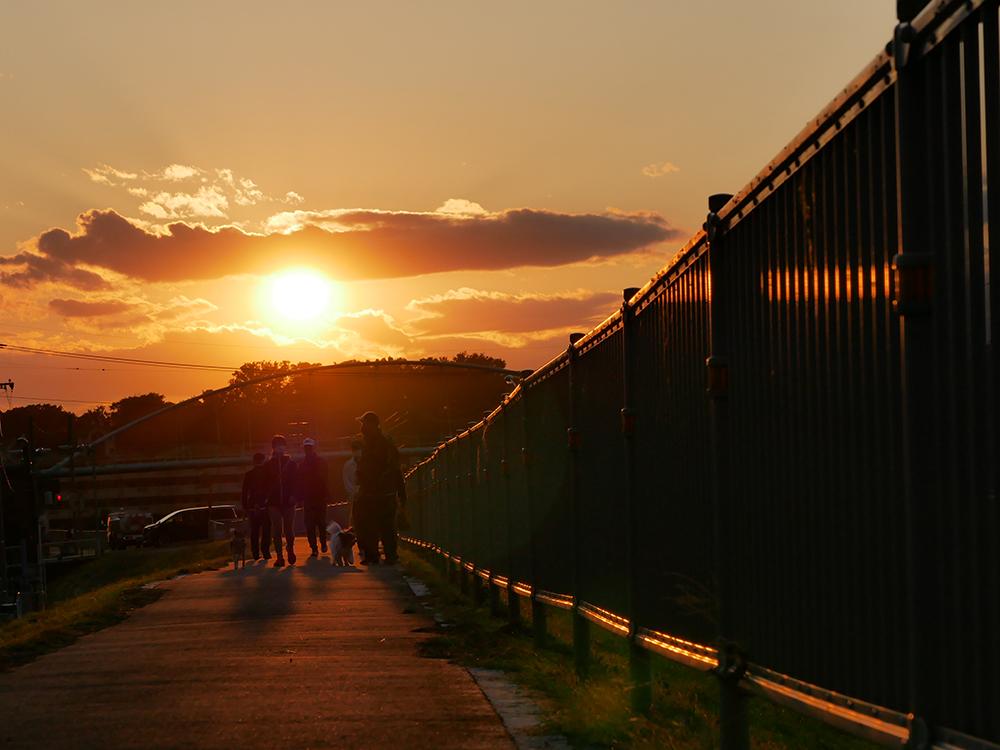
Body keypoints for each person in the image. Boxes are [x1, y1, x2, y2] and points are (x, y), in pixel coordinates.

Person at [355, 411, 407, 565]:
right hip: (379, 493)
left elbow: (392, 469)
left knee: (377, 525)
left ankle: (378, 556)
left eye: (364, 424)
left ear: (371, 425)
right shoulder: (377, 443)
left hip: (377, 493)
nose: (362, 427)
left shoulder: (379, 444)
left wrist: (401, 492)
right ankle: (385, 555)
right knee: (381, 526)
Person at [264, 434, 297, 567]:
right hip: (273, 502)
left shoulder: (291, 463)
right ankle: (279, 556)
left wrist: (294, 495)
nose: (280, 447)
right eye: (277, 445)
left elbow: (296, 481)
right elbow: (264, 484)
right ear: (273, 447)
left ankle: (290, 549)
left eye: (282, 444)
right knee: (277, 530)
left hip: (289, 501)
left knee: (289, 529)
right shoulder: (268, 465)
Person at [297, 437, 330, 557]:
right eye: (306, 448)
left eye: (309, 447)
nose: (308, 450)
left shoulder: (321, 462)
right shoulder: (302, 465)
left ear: (313, 448)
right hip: (308, 498)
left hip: (320, 497)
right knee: (309, 525)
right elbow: (299, 482)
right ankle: (314, 548)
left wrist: (326, 494)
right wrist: (300, 498)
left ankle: (323, 543)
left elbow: (326, 479)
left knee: (321, 523)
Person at [241, 452, 271, 560]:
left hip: (252, 506)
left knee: (254, 531)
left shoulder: (249, 474)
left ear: (253, 462)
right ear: (264, 460)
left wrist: (245, 506)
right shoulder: (268, 473)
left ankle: (255, 553)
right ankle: (265, 551)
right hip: (264, 505)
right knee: (266, 530)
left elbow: (244, 492)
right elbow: (270, 490)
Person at [342, 438, 362, 518]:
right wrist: (355, 492)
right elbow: (346, 481)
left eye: (358, 448)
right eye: (355, 449)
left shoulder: (366, 463)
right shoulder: (348, 465)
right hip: (353, 497)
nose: (357, 451)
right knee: (354, 517)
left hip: (366, 495)